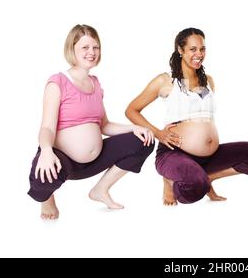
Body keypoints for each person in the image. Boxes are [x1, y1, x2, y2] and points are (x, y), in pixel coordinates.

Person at [125, 28, 248, 205]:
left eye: (202, 49)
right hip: (175, 153)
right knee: (194, 189)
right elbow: (131, 110)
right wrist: (158, 133)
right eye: (193, 49)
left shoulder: (209, 81)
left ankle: (208, 177)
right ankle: (170, 179)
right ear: (180, 50)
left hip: (211, 155)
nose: (199, 54)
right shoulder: (166, 80)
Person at [28, 24, 155, 219]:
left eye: (95, 47)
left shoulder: (95, 83)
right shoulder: (58, 82)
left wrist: (135, 127)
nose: (92, 52)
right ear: (72, 50)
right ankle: (48, 199)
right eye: (85, 47)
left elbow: (104, 125)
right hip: (65, 162)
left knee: (144, 140)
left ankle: (100, 190)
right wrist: (46, 151)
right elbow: (46, 127)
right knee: (41, 175)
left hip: (95, 161)